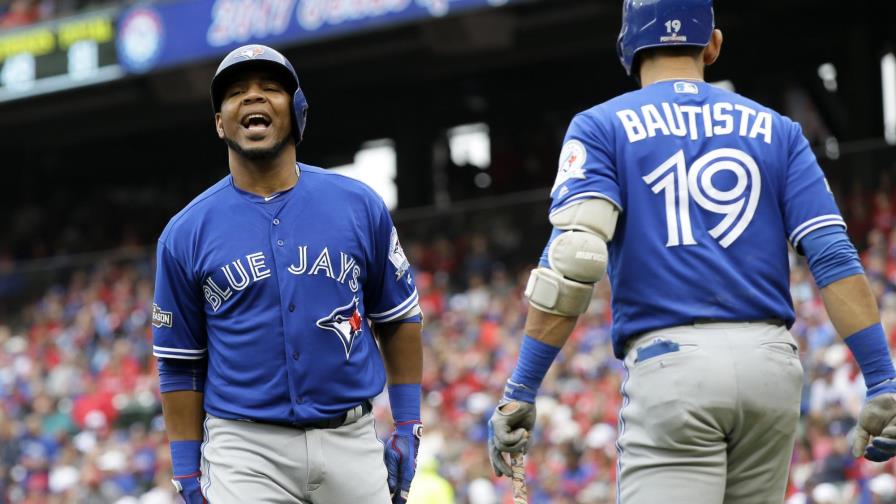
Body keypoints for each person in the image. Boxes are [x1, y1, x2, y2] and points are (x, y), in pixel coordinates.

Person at [487, 1, 896, 502]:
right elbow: (833, 257)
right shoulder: (780, 131)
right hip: (772, 366)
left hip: (672, 368)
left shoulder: (600, 126)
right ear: (714, 44)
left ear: (626, 50)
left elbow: (573, 263)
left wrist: (520, 391)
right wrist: (882, 380)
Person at [151, 44, 423, 504]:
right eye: (236, 92)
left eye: (270, 88)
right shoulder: (185, 233)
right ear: (220, 123)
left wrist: (408, 422)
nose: (252, 98)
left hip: (351, 439)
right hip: (245, 450)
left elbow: (397, 318)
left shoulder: (359, 205)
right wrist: (186, 470)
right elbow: (180, 363)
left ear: (297, 112)